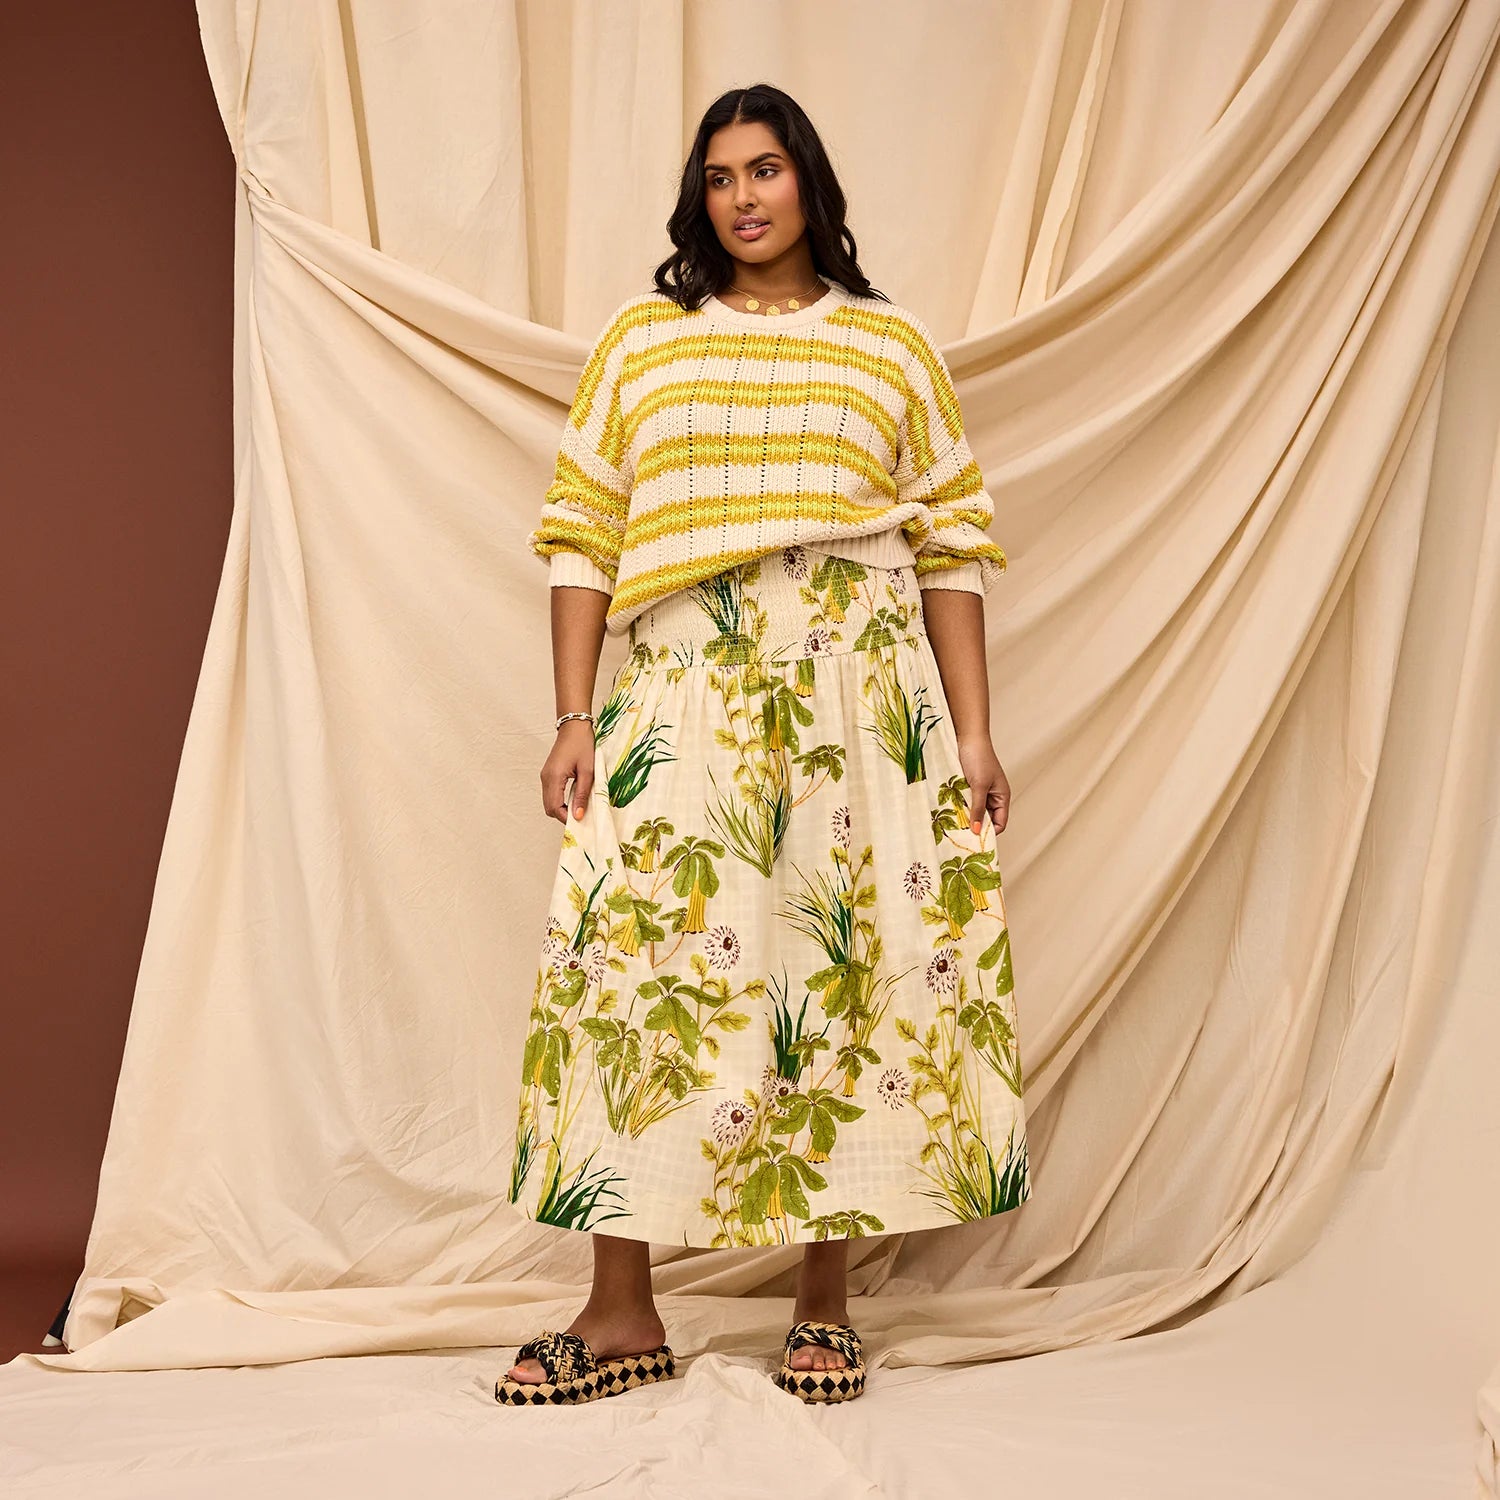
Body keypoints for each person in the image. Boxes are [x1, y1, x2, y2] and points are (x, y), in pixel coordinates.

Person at [497, 83, 1030, 1408]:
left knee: (839, 975)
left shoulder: (891, 347)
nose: (744, 196)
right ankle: (620, 1309)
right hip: (683, 688)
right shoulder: (644, 342)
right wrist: (575, 714)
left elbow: (952, 543)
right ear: (702, 195)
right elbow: (583, 529)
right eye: (721, 175)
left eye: (767, 169)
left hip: (859, 695)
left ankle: (823, 1302)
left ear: (809, 183)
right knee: (639, 974)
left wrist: (972, 734)